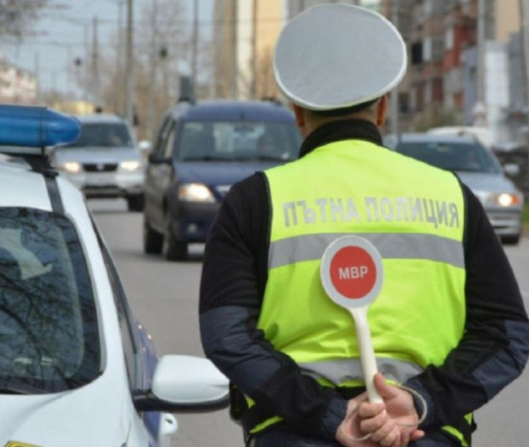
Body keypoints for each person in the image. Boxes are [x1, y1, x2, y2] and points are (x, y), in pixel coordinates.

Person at [198, 4, 529, 447]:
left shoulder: (255, 200)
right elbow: (506, 335)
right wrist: (421, 402)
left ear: (298, 112)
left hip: (295, 434)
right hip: (424, 434)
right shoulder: (451, 194)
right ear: (382, 109)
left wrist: (328, 414)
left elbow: (228, 336)